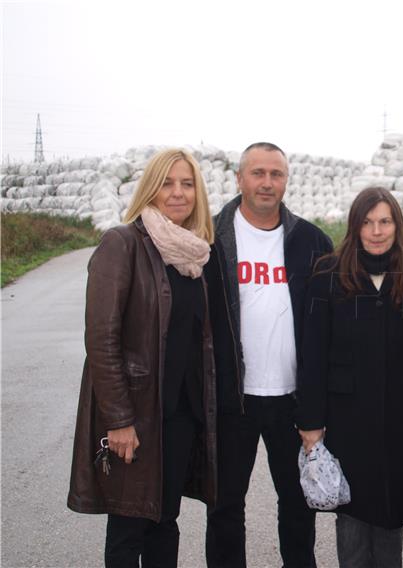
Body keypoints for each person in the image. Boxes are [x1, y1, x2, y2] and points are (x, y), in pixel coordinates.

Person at [67, 148, 217, 567]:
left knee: (165, 521)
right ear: (150, 188)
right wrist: (118, 419)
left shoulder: (195, 254)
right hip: (137, 416)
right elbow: (102, 339)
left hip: (180, 415)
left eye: (187, 184)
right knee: (128, 527)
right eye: (167, 183)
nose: (178, 193)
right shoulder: (123, 244)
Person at [204, 142, 332, 568]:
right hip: (233, 397)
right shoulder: (210, 239)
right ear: (239, 178)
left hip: (291, 397)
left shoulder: (311, 241)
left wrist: (318, 403)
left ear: (286, 180)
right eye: (257, 173)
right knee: (225, 505)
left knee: (297, 504)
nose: (267, 182)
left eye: (276, 174)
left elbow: (326, 328)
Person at [294, 187, 403, 568]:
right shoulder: (328, 275)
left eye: (385, 222)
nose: (377, 231)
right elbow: (312, 354)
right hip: (348, 418)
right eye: (367, 222)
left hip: (401, 417)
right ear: (355, 226)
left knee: (391, 511)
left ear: (397, 225)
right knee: (351, 511)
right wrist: (310, 423)